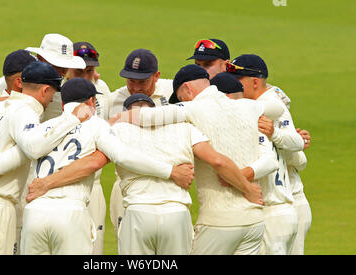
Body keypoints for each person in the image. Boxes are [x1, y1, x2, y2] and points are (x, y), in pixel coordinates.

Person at [112, 64, 286, 255]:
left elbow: (146, 116)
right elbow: (278, 107)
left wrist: (117, 118)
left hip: (220, 221)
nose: (180, 100)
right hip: (255, 222)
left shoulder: (191, 108)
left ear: (186, 89)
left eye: (179, 97)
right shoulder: (247, 105)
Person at [19, 78, 195, 255]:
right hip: (69, 211)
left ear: (63, 103)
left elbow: (31, 149)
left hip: (34, 212)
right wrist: (170, 171)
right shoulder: (96, 125)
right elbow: (123, 156)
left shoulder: (46, 127)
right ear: (91, 101)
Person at [0, 61, 93, 254]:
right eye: (52, 93)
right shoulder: (25, 112)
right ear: (44, 90)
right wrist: (72, 119)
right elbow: (33, 148)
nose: (52, 100)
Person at [227, 54, 309, 254]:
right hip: (280, 206)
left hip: (284, 204)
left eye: (237, 80)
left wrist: (276, 135)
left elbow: (300, 160)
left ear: (254, 82)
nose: (232, 84)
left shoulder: (271, 106)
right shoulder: (258, 106)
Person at [108, 48, 174, 237]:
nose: (136, 88)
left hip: (167, 186)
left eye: (142, 81)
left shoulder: (173, 91)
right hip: (127, 186)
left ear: (157, 76)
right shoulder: (114, 99)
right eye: (131, 81)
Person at [0, 33, 85, 124]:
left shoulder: (69, 89)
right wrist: (3, 101)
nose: (63, 72)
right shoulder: (17, 80)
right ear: (40, 58)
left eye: (66, 66)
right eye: (57, 65)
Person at [64, 41, 111, 254]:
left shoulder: (102, 90)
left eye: (90, 71)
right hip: (59, 185)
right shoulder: (56, 91)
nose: (85, 76)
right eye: (79, 71)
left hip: (94, 185)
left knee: (93, 250)